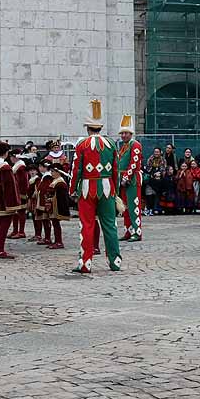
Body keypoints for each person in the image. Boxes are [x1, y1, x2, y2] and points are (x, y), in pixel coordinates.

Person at [71, 100, 121, 274]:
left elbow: (76, 169)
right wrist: (117, 191)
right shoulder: (112, 144)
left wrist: (72, 189)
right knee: (110, 225)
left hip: (86, 188)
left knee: (87, 225)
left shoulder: (82, 145)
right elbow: (116, 170)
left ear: (87, 128)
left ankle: (85, 263)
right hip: (108, 187)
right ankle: (115, 261)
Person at [115, 116, 143, 241]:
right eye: (122, 133)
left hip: (132, 180)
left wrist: (126, 177)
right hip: (123, 180)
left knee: (134, 206)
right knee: (124, 207)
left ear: (131, 133)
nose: (124, 135)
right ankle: (128, 231)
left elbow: (134, 163)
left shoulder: (135, 144)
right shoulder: (124, 146)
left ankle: (137, 232)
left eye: (126, 133)